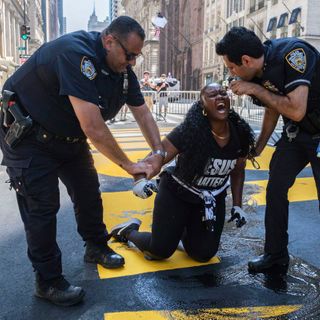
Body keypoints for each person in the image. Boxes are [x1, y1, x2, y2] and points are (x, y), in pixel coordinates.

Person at [0, 16, 165, 306]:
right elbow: (93, 127)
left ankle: (96, 247)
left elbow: (143, 113)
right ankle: (48, 281)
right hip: (30, 139)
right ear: (109, 41)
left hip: (68, 137)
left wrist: (158, 153)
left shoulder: (122, 71)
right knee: (42, 206)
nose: (133, 63)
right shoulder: (76, 54)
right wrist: (130, 166)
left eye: (136, 56)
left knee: (88, 192)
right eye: (129, 55)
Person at [109, 83, 256, 263]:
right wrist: (139, 179)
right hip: (177, 194)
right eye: (212, 95)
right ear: (202, 107)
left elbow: (238, 170)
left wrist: (238, 205)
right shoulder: (190, 131)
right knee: (160, 251)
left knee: (203, 254)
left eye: (223, 93)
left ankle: (179, 231)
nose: (219, 97)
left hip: (210, 199)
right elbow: (157, 156)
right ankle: (129, 231)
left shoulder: (240, 132)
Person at [216, 26, 320, 274]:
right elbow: (273, 107)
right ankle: (275, 254)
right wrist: (258, 147)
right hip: (297, 134)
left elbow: (295, 109)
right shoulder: (256, 74)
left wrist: (255, 90)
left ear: (246, 60)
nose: (232, 74)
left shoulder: (294, 53)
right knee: (274, 189)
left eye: (231, 68)